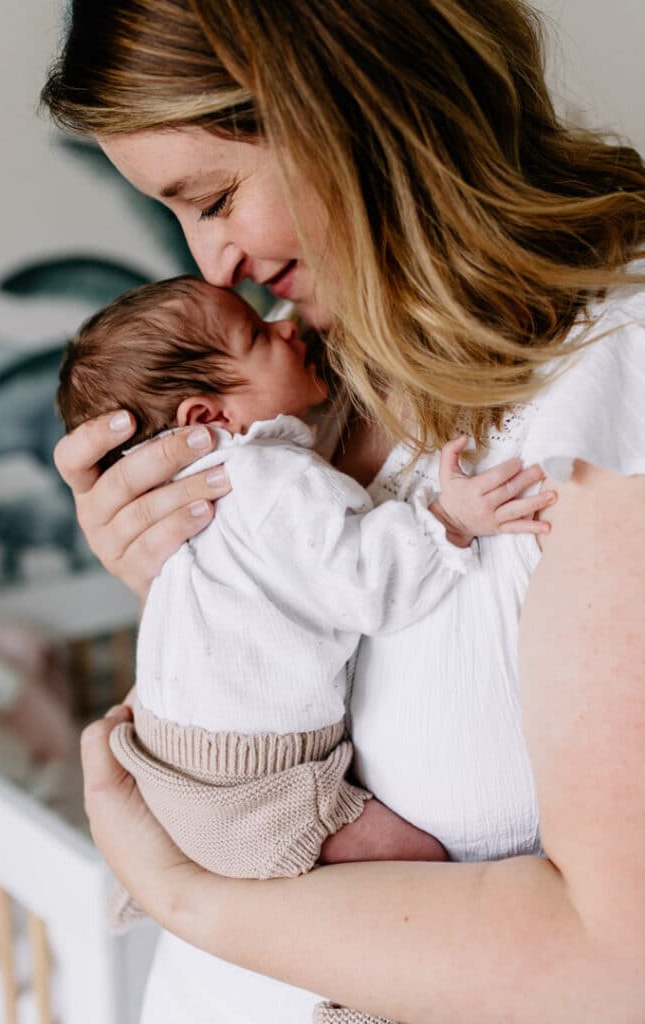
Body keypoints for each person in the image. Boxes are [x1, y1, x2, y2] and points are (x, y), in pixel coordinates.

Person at [41, 1, 645, 1021]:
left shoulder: (610, 385)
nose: (211, 264)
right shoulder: (320, 371)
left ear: (351, 105)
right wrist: (183, 578)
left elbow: (615, 962)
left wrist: (179, 887)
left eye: (217, 195)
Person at [56, 276, 551, 942]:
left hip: (182, 764)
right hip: (261, 785)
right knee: (427, 877)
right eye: (258, 335)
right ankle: (364, 1004)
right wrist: (446, 521)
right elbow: (362, 582)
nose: (286, 327)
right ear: (205, 419)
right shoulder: (271, 476)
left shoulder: (192, 502)